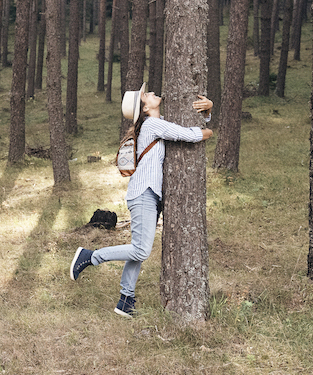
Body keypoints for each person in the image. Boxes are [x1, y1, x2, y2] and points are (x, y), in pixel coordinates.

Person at [70, 83, 213, 318]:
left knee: (136, 250)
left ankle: (126, 300)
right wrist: (207, 132)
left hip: (147, 195)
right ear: (145, 107)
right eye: (147, 94)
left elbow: (186, 124)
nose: (152, 93)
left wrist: (207, 112)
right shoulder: (153, 125)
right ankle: (90, 256)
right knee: (140, 250)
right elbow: (187, 134)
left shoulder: (156, 123)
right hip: (144, 194)